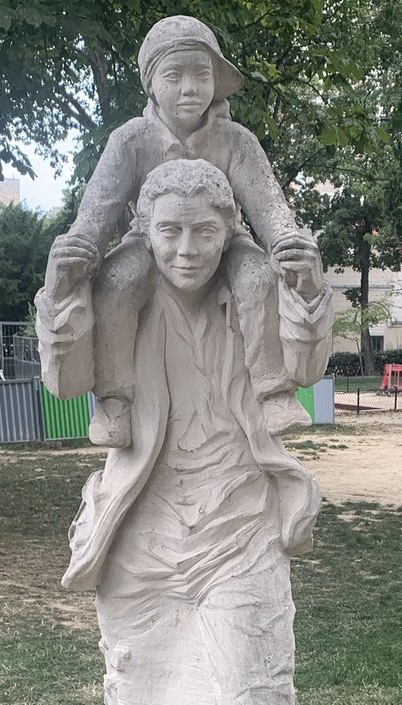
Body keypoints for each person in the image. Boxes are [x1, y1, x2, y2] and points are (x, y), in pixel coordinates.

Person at [36, 158, 333, 705]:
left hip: (238, 523)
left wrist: (306, 295)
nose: (187, 249)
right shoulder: (125, 303)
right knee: (139, 696)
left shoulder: (249, 294)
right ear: (146, 231)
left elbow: (303, 366)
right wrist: (64, 294)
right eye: (169, 231)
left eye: (205, 231)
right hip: (144, 532)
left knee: (259, 693)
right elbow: (67, 382)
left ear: (229, 231)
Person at [44, 14, 316, 448]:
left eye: (201, 75)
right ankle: (116, 401)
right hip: (151, 244)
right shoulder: (131, 139)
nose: (190, 88)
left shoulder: (236, 140)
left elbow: (270, 210)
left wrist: (287, 246)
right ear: (152, 83)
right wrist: (82, 249)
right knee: (117, 282)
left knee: (259, 279)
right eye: (175, 75)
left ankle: (274, 391)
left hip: (224, 242)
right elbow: (98, 209)